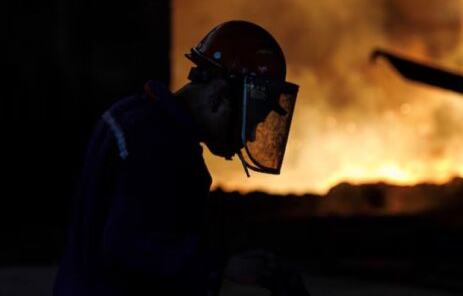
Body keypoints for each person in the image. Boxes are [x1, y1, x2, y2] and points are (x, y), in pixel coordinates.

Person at [53, 21, 305, 296]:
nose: (252, 137)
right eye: (251, 122)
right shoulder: (158, 143)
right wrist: (221, 268)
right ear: (220, 98)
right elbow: (127, 245)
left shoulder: (131, 117)